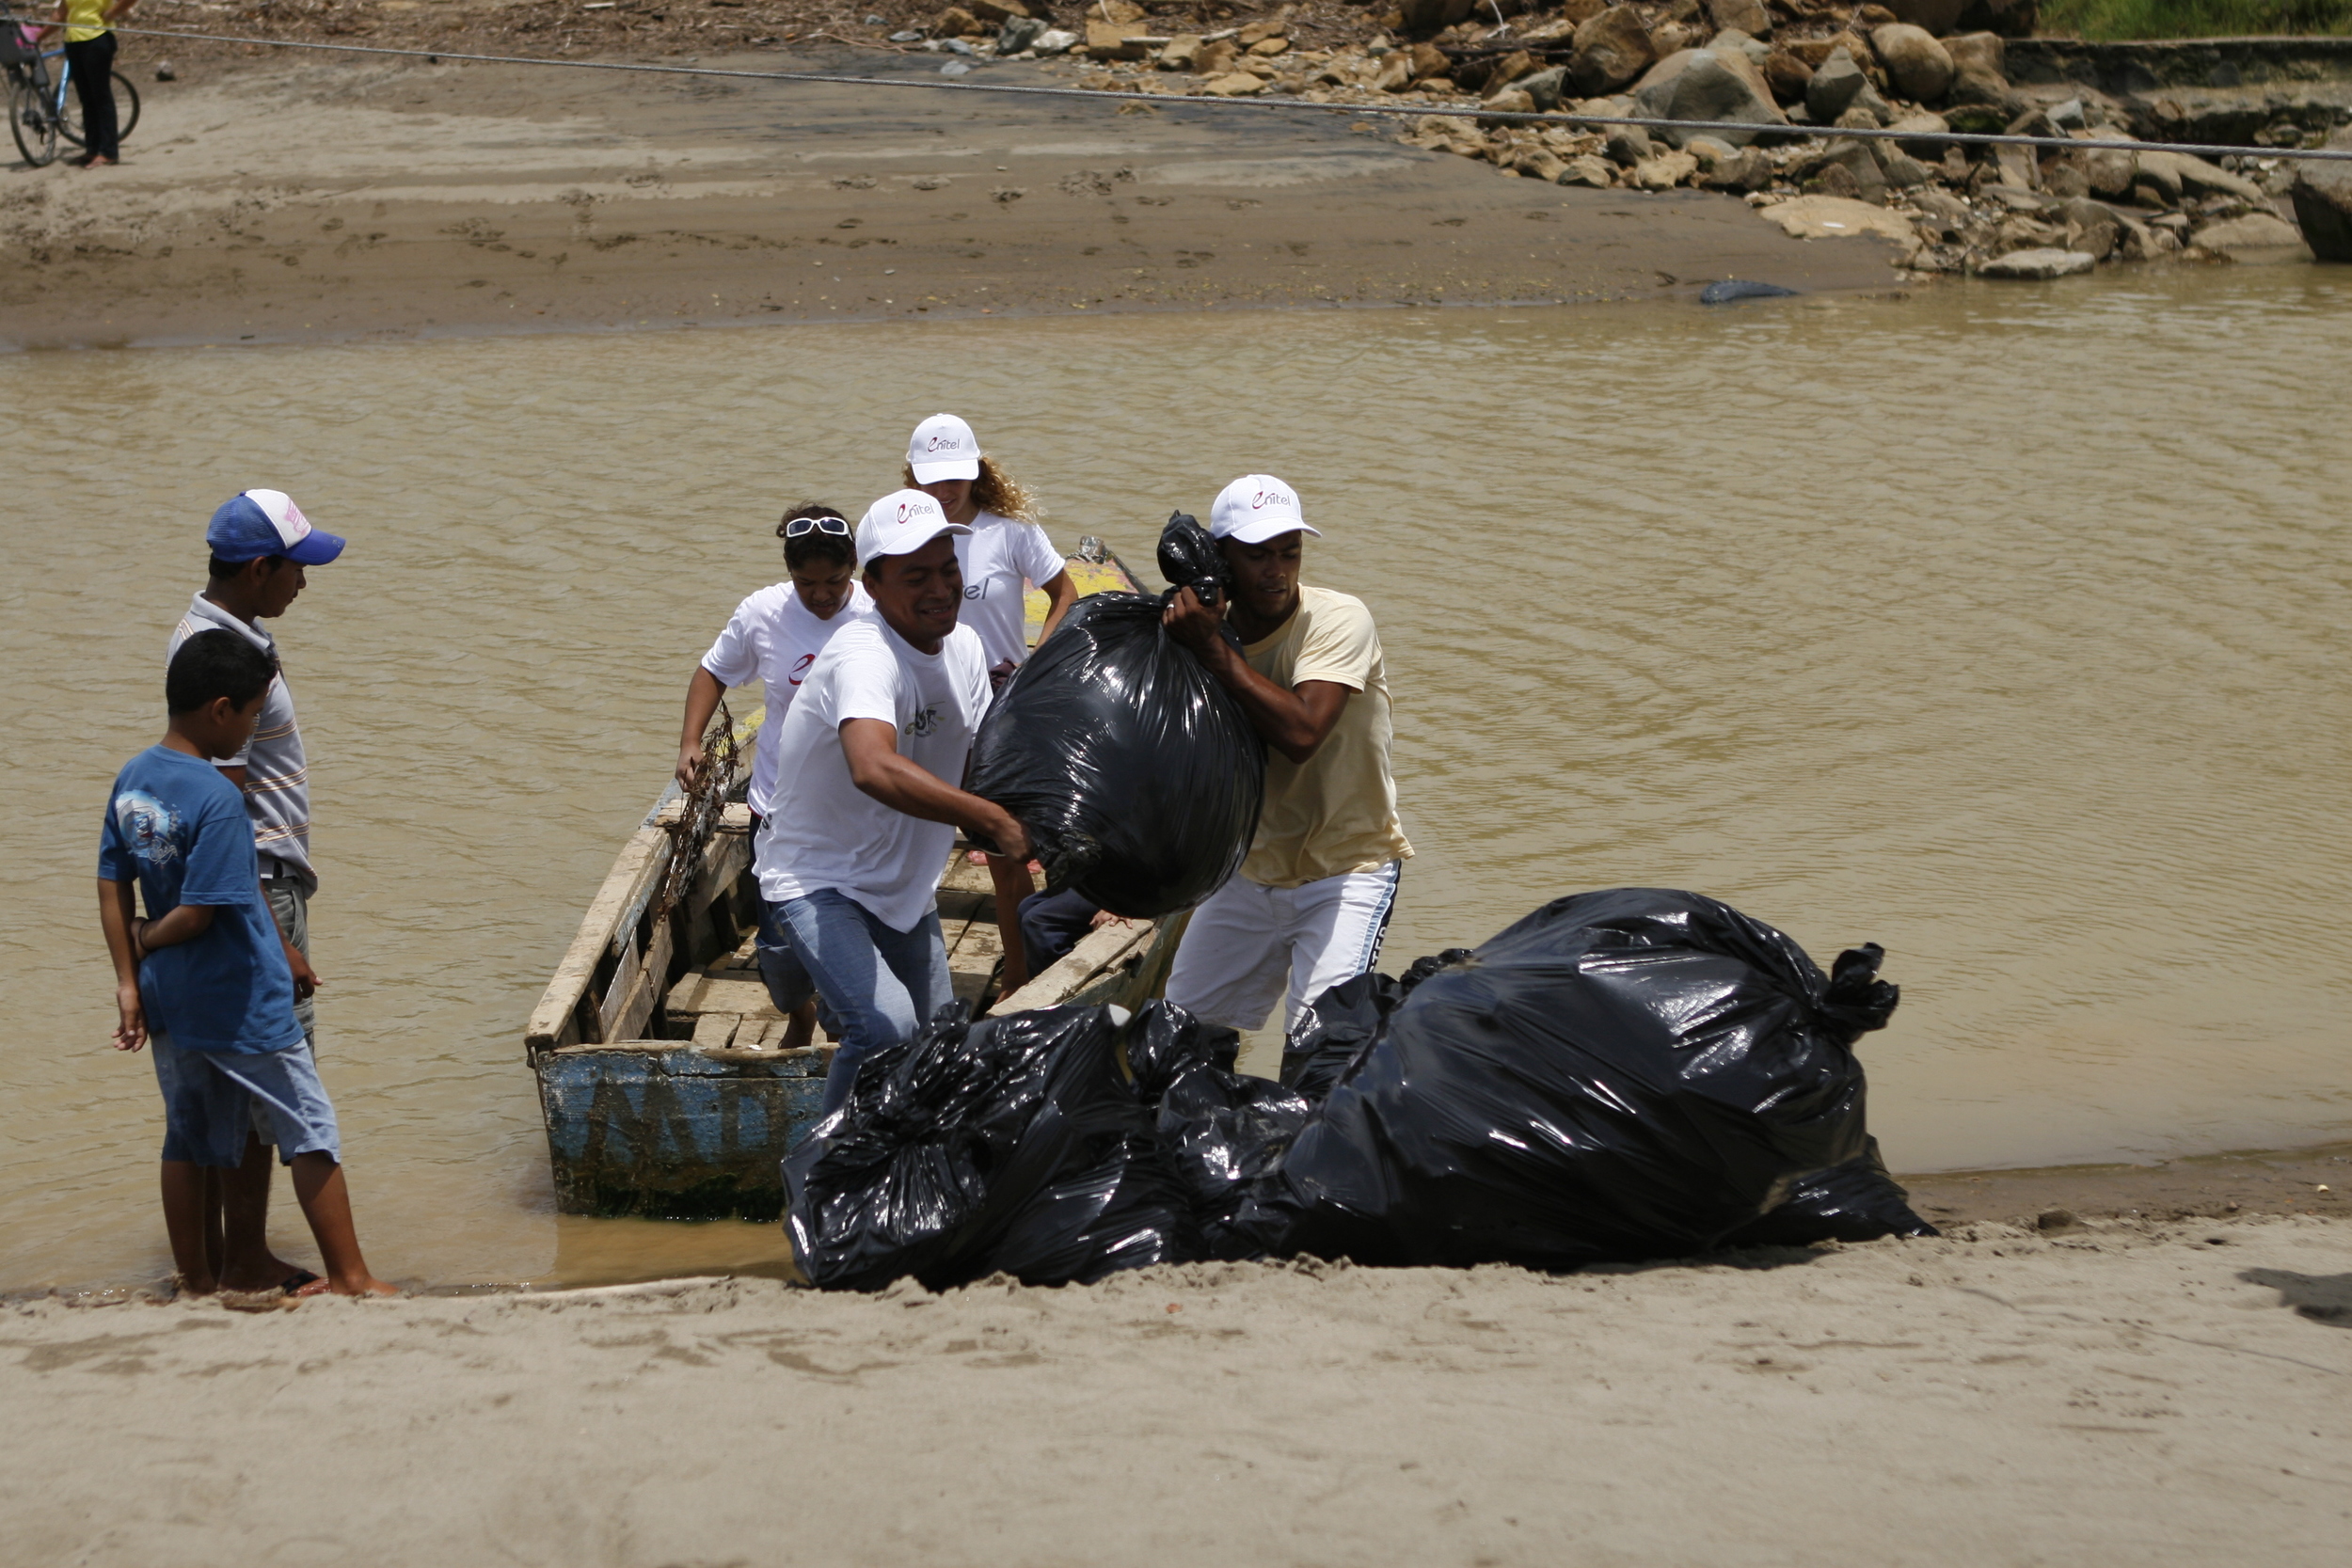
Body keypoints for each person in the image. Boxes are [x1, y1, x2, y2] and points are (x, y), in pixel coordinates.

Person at [98, 631, 391, 1297]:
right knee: (310, 1123)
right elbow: (205, 911)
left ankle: (199, 1281)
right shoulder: (219, 798)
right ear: (220, 710)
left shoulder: (134, 777)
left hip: (170, 996)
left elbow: (110, 880)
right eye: (256, 713)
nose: (257, 726)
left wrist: (127, 977)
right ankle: (351, 1277)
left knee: (189, 1133)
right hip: (238, 994)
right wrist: (151, 938)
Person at [754, 488, 1031, 1117]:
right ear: (872, 587)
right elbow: (872, 765)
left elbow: (984, 770)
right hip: (816, 880)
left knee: (935, 1050)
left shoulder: (963, 649)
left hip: (903, 890)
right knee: (884, 1030)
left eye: (947, 569)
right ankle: (822, 1183)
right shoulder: (862, 655)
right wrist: (986, 818)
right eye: (915, 576)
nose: (940, 588)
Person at [165, 487, 344, 1293]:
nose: (303, 585)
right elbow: (226, 811)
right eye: (296, 569)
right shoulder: (229, 660)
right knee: (279, 1075)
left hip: (259, 884)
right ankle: (250, 1258)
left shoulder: (221, 633)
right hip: (258, 886)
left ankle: (226, 1258)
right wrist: (278, 941)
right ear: (260, 567)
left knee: (232, 1082)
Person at [1160, 474, 1413, 1043]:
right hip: (1248, 870)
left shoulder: (1339, 620)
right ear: (1222, 561)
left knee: (1318, 1050)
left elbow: (1301, 733)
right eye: (1257, 556)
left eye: (1289, 553)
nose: (1276, 570)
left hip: (1346, 871)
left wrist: (1211, 651)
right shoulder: (1196, 631)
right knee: (1178, 1039)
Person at [676, 501, 872, 1053]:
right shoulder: (763, 612)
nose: (822, 594)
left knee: (848, 933)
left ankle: (845, 1034)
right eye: (806, 582)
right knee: (781, 948)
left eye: (835, 580)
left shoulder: (881, 614)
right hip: (778, 809)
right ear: (789, 575)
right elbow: (713, 670)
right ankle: (800, 1011)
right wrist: (691, 741)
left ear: (855, 564)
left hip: (860, 810)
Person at [902, 412, 1075, 993]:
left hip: (999, 709)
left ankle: (1020, 975)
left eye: (957, 477)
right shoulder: (900, 539)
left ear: (977, 472)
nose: (946, 491)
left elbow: (1065, 593)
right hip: (923, 705)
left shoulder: (1012, 534)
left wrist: (1037, 666)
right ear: (913, 477)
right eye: (933, 479)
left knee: (1007, 855)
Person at [41, 0, 135, 167]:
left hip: (97, 39)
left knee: (100, 96)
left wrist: (113, 12)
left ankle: (108, 152)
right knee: (86, 98)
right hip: (73, 42)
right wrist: (38, 37)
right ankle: (92, 148)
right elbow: (60, 14)